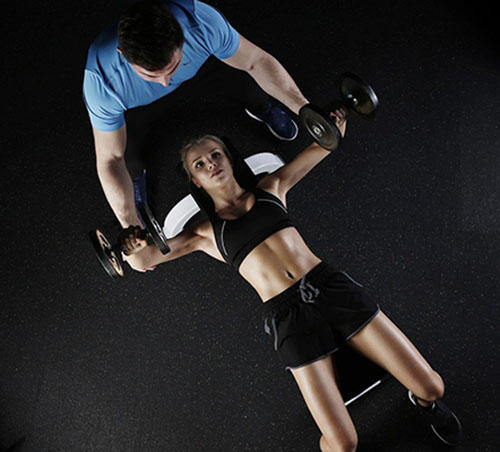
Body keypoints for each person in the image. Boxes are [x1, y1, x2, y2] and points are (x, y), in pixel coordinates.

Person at [120, 110, 463, 451]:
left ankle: (424, 406)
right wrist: (132, 247)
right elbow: (144, 260)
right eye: (200, 164)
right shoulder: (205, 232)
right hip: (289, 319)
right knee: (343, 445)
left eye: (215, 154)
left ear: (229, 157)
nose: (211, 164)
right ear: (195, 180)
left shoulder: (272, 188)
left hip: (331, 290)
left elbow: (324, 146)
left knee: (432, 387)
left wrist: (335, 125)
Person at [83, 0, 309, 228]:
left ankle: (263, 108)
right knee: (128, 155)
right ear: (123, 55)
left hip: (200, 71)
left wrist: (304, 108)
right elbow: (110, 160)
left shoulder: (200, 22)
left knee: (242, 74)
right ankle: (134, 186)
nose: (164, 82)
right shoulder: (101, 82)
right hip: (137, 105)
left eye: (171, 67)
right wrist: (129, 223)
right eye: (151, 75)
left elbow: (256, 62)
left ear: (180, 35)